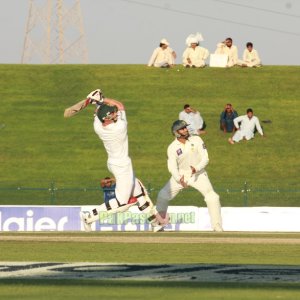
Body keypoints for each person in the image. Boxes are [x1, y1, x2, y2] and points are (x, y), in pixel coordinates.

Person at [64, 89, 162, 232]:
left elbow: (98, 113)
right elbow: (120, 105)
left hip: (113, 162)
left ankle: (155, 224)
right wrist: (101, 100)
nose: (116, 113)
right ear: (109, 117)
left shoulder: (98, 126)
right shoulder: (119, 127)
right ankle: (89, 217)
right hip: (122, 165)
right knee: (122, 204)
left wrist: (96, 102)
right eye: (113, 113)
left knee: (140, 192)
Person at [156, 120, 223, 232]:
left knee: (213, 197)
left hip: (198, 174)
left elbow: (205, 158)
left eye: (185, 127)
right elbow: (172, 166)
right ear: (176, 132)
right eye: (182, 128)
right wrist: (178, 178)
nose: (185, 130)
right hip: (181, 175)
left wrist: (196, 168)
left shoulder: (196, 139)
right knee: (162, 195)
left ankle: (217, 226)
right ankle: (159, 224)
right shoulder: (172, 147)